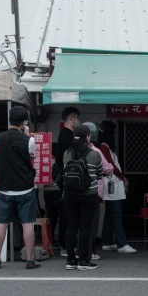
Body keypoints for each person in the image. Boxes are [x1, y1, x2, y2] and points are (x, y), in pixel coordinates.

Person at [0, 106, 40, 270]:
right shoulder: (29, 140)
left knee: (2, 223)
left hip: (4, 187)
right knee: (27, 223)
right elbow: (29, 155)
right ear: (24, 122)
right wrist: (25, 135)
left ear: (9, 119)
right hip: (25, 187)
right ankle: (29, 260)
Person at [63, 124, 104, 270]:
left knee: (71, 226)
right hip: (89, 195)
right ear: (87, 137)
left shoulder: (67, 153)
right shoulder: (94, 154)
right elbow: (100, 174)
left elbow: (64, 173)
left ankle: (70, 260)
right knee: (85, 227)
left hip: (70, 195)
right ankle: (84, 260)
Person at [98, 120, 136, 254]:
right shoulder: (104, 147)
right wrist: (123, 177)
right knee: (116, 213)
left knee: (109, 214)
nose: (115, 134)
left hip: (111, 184)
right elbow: (111, 166)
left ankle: (107, 242)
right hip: (111, 184)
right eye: (113, 132)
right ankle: (122, 243)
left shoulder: (105, 147)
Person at [47, 106, 80, 252]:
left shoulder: (63, 134)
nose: (78, 121)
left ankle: (65, 246)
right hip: (67, 180)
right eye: (77, 118)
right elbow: (67, 160)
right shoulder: (68, 136)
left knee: (65, 215)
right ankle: (66, 247)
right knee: (67, 216)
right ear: (72, 118)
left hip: (63, 180)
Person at [82, 122, 114, 261]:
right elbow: (107, 169)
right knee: (92, 223)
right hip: (93, 191)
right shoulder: (96, 151)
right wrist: (112, 165)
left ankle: (78, 251)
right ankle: (90, 252)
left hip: (75, 192)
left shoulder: (71, 151)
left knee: (79, 223)